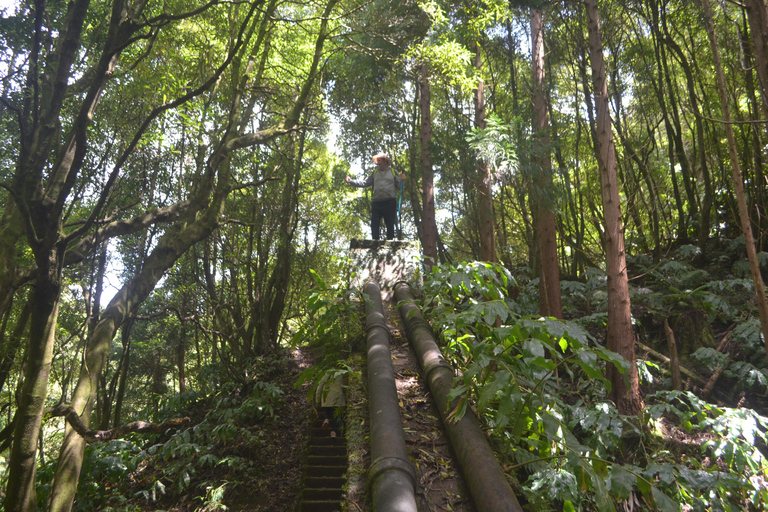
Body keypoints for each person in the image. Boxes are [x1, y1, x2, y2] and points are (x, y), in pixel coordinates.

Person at [346, 153, 405, 240]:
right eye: (377, 161)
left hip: (389, 201)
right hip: (377, 202)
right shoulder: (375, 173)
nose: (377, 163)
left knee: (390, 223)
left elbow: (400, 187)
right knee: (374, 224)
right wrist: (351, 181)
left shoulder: (393, 172)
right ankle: (375, 242)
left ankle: (390, 242)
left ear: (385, 161)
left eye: (379, 160)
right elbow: (365, 183)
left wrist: (402, 180)